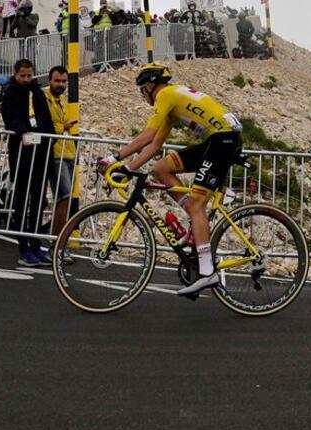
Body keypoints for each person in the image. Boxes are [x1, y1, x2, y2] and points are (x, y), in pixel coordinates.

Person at [98, 63, 243, 298]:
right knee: (161, 168)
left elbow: (146, 135)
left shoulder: (164, 95)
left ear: (149, 85)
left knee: (197, 205)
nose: (142, 93)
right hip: (218, 140)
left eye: (142, 88)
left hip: (223, 141)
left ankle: (207, 273)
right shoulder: (172, 97)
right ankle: (197, 222)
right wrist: (126, 169)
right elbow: (155, 144)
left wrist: (113, 157)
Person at [1, 58, 56, 266]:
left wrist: (50, 139)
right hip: (22, 154)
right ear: (16, 74)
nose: (25, 79)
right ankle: (23, 247)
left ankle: (35, 244)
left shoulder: (38, 93)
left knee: (38, 202)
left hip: (41, 154)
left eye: (29, 75)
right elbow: (11, 118)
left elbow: (46, 120)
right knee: (22, 203)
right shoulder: (11, 93)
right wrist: (22, 131)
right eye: (22, 76)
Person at [42, 65, 81, 244]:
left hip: (68, 153)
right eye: (57, 81)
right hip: (55, 154)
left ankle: (56, 237)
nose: (61, 84)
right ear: (49, 80)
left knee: (66, 198)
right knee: (64, 197)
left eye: (64, 81)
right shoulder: (44, 97)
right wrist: (61, 128)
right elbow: (43, 123)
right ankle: (57, 242)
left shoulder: (62, 102)